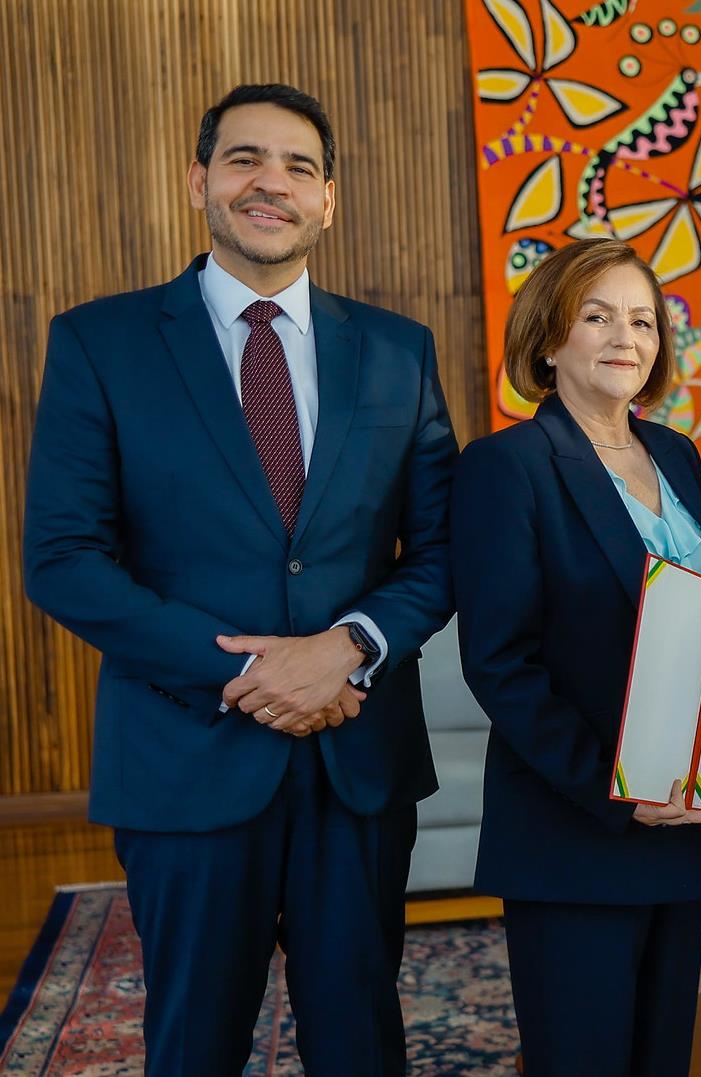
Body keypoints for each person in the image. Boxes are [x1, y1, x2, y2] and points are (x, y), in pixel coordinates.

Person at [21, 83, 456, 1075]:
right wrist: (251, 674)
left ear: (329, 201)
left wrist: (347, 649)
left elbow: (439, 549)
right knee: (196, 1044)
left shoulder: (399, 352)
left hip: (356, 759)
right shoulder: (102, 343)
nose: (273, 184)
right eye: (245, 160)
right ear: (199, 183)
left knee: (360, 1036)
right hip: (185, 754)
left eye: (300, 167)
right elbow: (64, 559)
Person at [451, 238, 701, 1076]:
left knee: (661, 1058)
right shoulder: (506, 467)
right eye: (598, 316)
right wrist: (616, 790)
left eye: (643, 319)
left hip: (678, 828)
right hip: (575, 823)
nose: (626, 336)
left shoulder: (680, 456)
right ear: (549, 339)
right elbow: (500, 664)